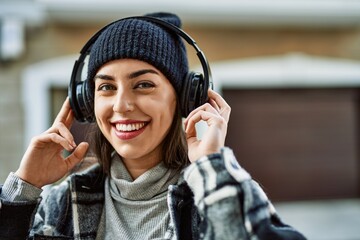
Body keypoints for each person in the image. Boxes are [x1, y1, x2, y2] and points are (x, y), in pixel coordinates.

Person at [0, 12, 306, 240]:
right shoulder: (63, 202)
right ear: (86, 102)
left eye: (143, 84)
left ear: (185, 98)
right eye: (106, 87)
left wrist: (213, 167)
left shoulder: (217, 193)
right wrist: (22, 193)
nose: (121, 105)